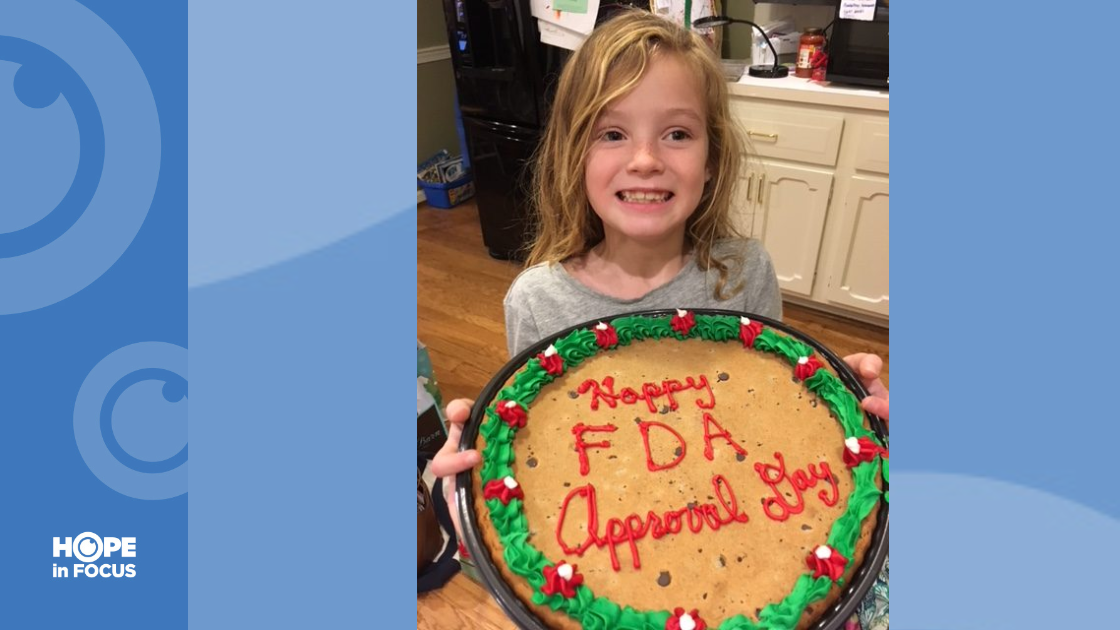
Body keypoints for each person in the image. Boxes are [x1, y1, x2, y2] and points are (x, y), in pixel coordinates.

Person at [430, 9, 888, 629]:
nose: (645, 159)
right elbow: (534, 463)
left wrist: (844, 406)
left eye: (677, 133)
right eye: (611, 134)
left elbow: (776, 406)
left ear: (711, 156)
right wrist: (462, 492)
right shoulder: (538, 301)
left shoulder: (743, 274)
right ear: (571, 153)